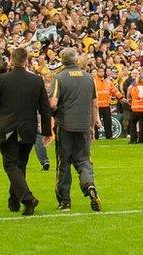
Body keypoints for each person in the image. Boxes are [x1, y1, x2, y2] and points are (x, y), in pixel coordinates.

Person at [0, 48, 51, 216]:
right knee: (19, 165)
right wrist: (47, 131)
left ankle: (27, 198)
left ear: (12, 60)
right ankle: (14, 201)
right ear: (27, 60)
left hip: (8, 128)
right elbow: (45, 108)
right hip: (28, 129)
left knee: (10, 164)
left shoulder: (2, 80)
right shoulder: (37, 81)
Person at [48, 48, 102, 212]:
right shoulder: (89, 78)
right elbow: (94, 103)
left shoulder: (58, 78)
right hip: (84, 125)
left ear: (62, 61)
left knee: (63, 163)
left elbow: (53, 103)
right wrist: (94, 122)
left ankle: (65, 201)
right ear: (76, 60)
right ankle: (89, 185)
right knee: (84, 160)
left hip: (65, 126)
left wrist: (49, 115)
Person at [94, 67, 124, 140]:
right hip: (96, 106)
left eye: (102, 71)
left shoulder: (108, 82)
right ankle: (95, 137)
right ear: (97, 72)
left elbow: (115, 91)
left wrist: (121, 98)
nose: (101, 73)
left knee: (108, 122)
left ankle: (109, 136)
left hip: (106, 105)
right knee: (95, 122)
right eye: (100, 71)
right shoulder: (93, 81)